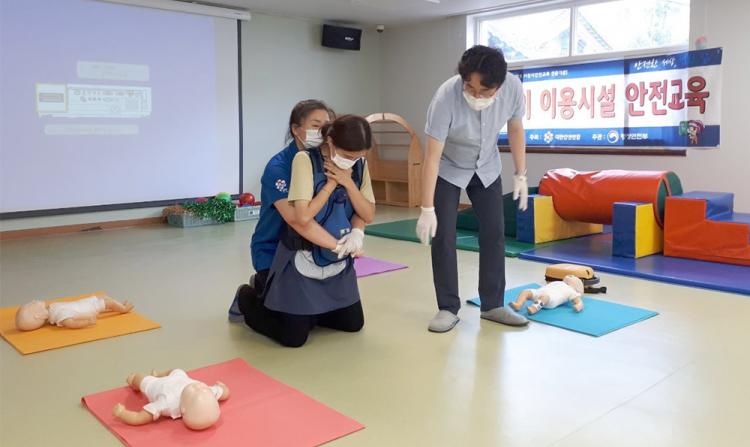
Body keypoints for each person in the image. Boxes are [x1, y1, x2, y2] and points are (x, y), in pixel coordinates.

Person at [417, 45, 530, 333]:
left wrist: (521, 173)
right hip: (449, 167)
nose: (475, 95)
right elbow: (432, 157)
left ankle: (492, 305)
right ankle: (447, 307)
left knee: (494, 232)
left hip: (487, 165)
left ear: (499, 86)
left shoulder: (513, 88)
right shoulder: (446, 96)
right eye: (470, 87)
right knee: (444, 235)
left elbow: (515, 128)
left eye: (484, 91)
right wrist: (427, 207)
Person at [236, 114, 375, 347]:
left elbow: (367, 213)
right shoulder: (304, 160)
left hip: (336, 260)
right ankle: (248, 296)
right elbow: (302, 218)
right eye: (348, 155)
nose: (352, 161)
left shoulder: (359, 164)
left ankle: (309, 311)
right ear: (331, 141)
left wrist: (349, 186)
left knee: (352, 324)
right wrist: (332, 185)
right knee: (294, 338)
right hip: (303, 255)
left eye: (358, 156)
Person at [227, 99, 334, 322]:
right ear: (296, 129)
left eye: (326, 126)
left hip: (313, 247)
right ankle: (248, 295)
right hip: (274, 250)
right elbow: (295, 219)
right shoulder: (279, 167)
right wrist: (336, 246)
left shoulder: (325, 161)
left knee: (342, 320)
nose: (322, 132)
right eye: (316, 125)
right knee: (295, 327)